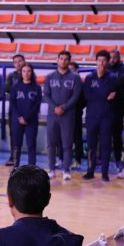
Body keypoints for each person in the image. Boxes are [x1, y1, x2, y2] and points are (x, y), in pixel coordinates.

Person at [43, 50, 82, 181]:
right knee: (51, 143)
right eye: (61, 59)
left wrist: (64, 108)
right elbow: (46, 95)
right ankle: (51, 169)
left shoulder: (75, 77)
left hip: (68, 115)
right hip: (52, 114)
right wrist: (55, 107)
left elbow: (76, 96)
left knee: (67, 143)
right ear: (57, 60)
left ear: (69, 61)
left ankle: (66, 170)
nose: (63, 61)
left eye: (66, 59)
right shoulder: (49, 77)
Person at [81, 50, 117, 181]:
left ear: (107, 62)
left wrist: (101, 96)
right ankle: (90, 171)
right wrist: (104, 96)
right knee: (91, 145)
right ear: (96, 61)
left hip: (106, 116)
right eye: (99, 60)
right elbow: (87, 96)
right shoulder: (89, 77)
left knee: (105, 145)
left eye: (104, 60)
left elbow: (113, 96)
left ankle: (104, 173)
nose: (101, 63)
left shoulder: (112, 78)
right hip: (91, 116)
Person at [9, 63, 42, 168]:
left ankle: (32, 167)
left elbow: (37, 105)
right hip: (17, 120)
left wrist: (26, 117)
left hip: (31, 120)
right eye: (24, 71)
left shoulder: (37, 87)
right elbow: (12, 103)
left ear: (32, 73)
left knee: (31, 144)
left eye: (28, 71)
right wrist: (19, 117)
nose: (26, 73)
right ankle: (15, 166)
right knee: (16, 145)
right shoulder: (15, 86)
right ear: (21, 73)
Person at [107, 49, 124, 171]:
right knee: (103, 135)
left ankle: (118, 160)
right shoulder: (105, 67)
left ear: (119, 58)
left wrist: (106, 83)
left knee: (117, 135)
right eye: (110, 57)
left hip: (118, 106)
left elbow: (120, 82)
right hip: (105, 105)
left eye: (115, 57)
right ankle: (101, 159)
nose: (112, 60)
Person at [5, 53, 26, 167]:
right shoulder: (11, 76)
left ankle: (30, 160)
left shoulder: (29, 73)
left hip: (27, 108)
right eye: (15, 62)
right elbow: (7, 88)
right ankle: (12, 157)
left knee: (28, 136)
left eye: (20, 61)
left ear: (24, 61)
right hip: (14, 108)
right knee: (13, 134)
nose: (18, 64)